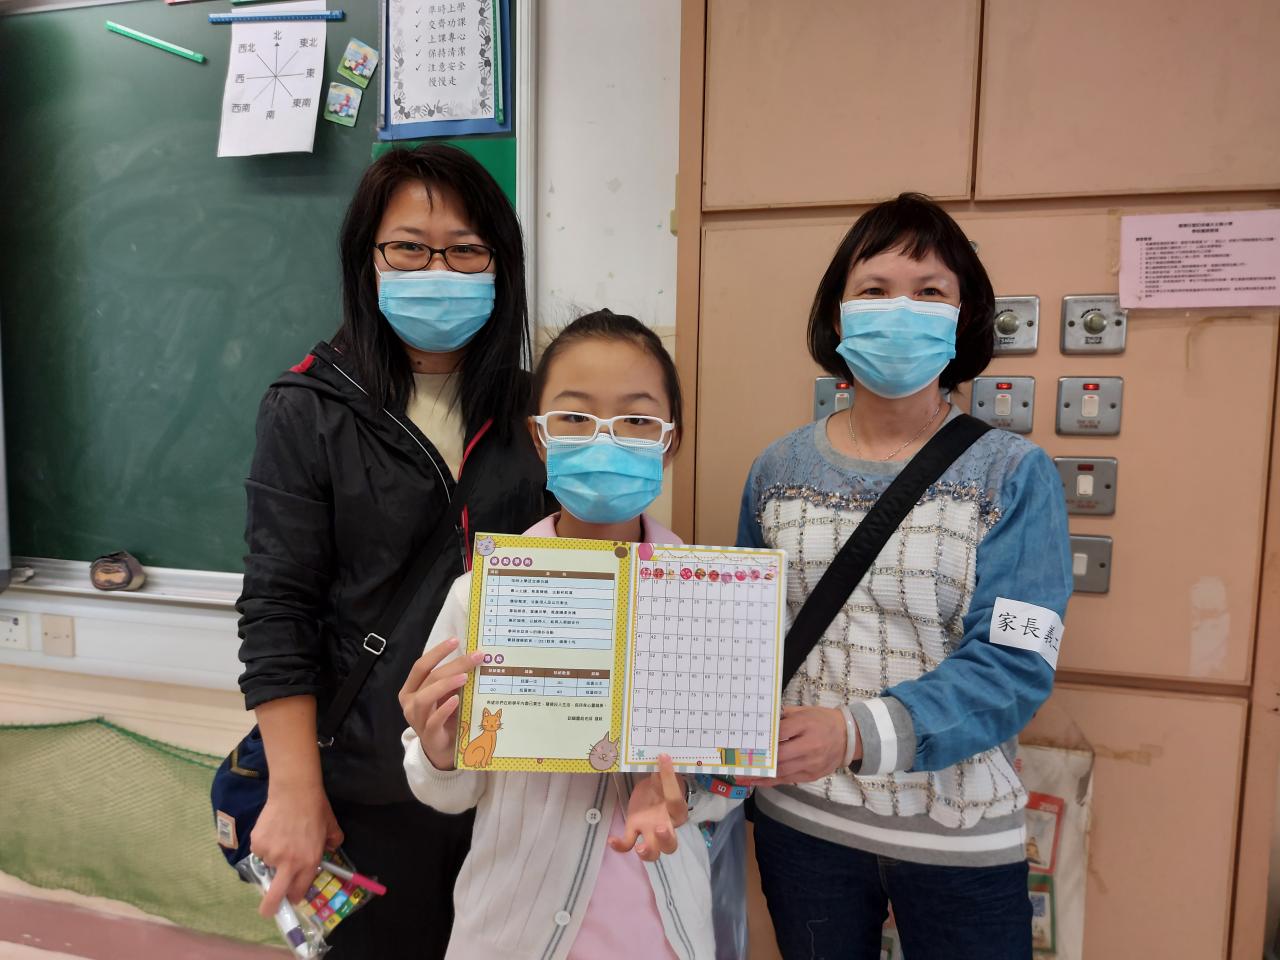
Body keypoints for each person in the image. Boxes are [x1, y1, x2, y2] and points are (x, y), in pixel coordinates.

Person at [737, 193, 1072, 959]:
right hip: (803, 825)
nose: (901, 309)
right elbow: (747, 639)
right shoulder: (776, 469)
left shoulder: (1014, 474)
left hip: (958, 838)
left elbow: (1014, 667)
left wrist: (855, 732)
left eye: (929, 292)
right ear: (837, 316)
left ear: (964, 316)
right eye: (875, 289)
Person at [236, 143, 547, 958]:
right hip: (369, 792)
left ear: (501, 265)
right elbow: (277, 609)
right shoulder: (307, 407)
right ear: (366, 260)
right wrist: (295, 791)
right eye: (409, 247)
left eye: (465, 249)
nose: (437, 270)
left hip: (505, 785)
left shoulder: (537, 410)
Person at [400, 310, 737, 960]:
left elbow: (724, 778)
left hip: (661, 934)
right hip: (508, 934)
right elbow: (449, 790)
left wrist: (685, 798)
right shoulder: (482, 595)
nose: (604, 440)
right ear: (539, 436)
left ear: (670, 441)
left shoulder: (709, 600)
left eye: (636, 420)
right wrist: (440, 752)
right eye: (576, 417)